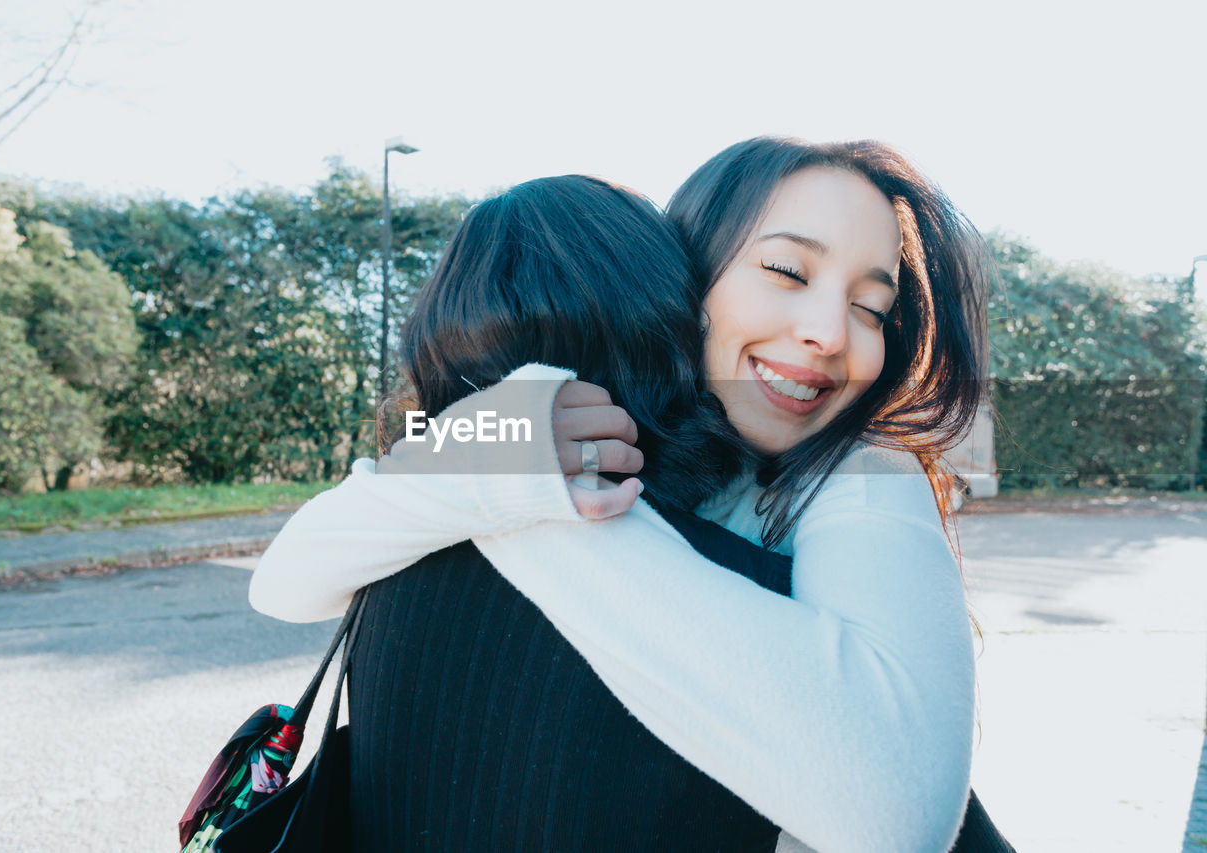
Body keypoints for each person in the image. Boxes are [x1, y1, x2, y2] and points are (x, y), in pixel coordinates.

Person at [251, 138, 996, 851]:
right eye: (787, 271)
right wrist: (480, 454)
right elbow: (284, 579)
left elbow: (894, 810)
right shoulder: (538, 443)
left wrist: (513, 473)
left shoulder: (864, 478)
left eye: (872, 308)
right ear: (679, 280)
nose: (831, 333)